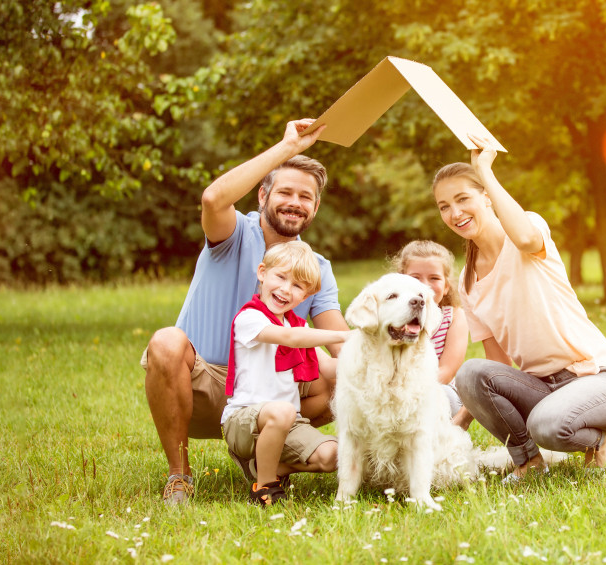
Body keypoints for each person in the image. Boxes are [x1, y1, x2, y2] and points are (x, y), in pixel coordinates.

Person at [141, 119, 349, 505]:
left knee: (344, 376)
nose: (294, 202)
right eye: (284, 192)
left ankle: (268, 461)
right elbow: (212, 199)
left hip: (269, 393)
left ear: (316, 207)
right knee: (166, 342)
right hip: (203, 383)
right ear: (262, 196)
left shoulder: (315, 266)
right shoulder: (233, 233)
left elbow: (343, 346)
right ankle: (179, 476)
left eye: (305, 197)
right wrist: (288, 147)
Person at [431, 134, 606, 482]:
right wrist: (459, 424)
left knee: (547, 426)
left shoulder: (526, 232)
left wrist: (485, 169)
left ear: (486, 196)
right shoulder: (467, 280)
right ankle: (528, 463)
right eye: (443, 206)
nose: (455, 213)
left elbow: (525, 238)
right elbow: (497, 364)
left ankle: (599, 437)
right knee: (470, 372)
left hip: (601, 379)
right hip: (543, 388)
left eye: (463, 199)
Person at [223, 241, 350, 506]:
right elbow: (290, 338)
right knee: (282, 410)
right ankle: (264, 487)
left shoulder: (296, 324)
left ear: (305, 297)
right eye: (280, 277)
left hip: (288, 423)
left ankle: (269, 466)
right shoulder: (250, 318)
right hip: (242, 421)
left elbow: (328, 367)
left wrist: (376, 360)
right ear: (262, 273)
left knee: (336, 455)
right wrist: (345, 335)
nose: (285, 289)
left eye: (297, 286)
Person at [391, 240, 471, 429]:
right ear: (400, 279)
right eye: (415, 278)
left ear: (446, 286)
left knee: (439, 399)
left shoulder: (454, 317)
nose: (424, 286)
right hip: (392, 392)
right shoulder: (390, 318)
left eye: (434, 278)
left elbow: (446, 371)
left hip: (437, 391)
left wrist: (407, 393)